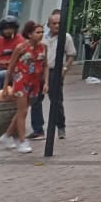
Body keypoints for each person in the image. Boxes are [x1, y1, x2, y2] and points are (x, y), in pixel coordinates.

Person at [0, 21, 47, 153]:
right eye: (38, 32)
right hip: (21, 81)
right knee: (23, 111)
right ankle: (22, 140)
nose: (41, 35)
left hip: (34, 82)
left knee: (22, 111)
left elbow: (45, 65)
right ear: (29, 34)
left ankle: (7, 136)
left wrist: (46, 82)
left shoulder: (43, 47)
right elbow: (11, 67)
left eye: (42, 32)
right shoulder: (21, 48)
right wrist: (6, 85)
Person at [30, 9, 76, 139]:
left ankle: (61, 127)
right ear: (49, 24)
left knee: (56, 101)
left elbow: (71, 54)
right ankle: (38, 129)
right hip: (39, 71)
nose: (57, 26)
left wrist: (65, 69)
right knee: (36, 99)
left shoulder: (66, 37)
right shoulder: (41, 37)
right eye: (54, 23)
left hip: (55, 71)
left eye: (59, 23)